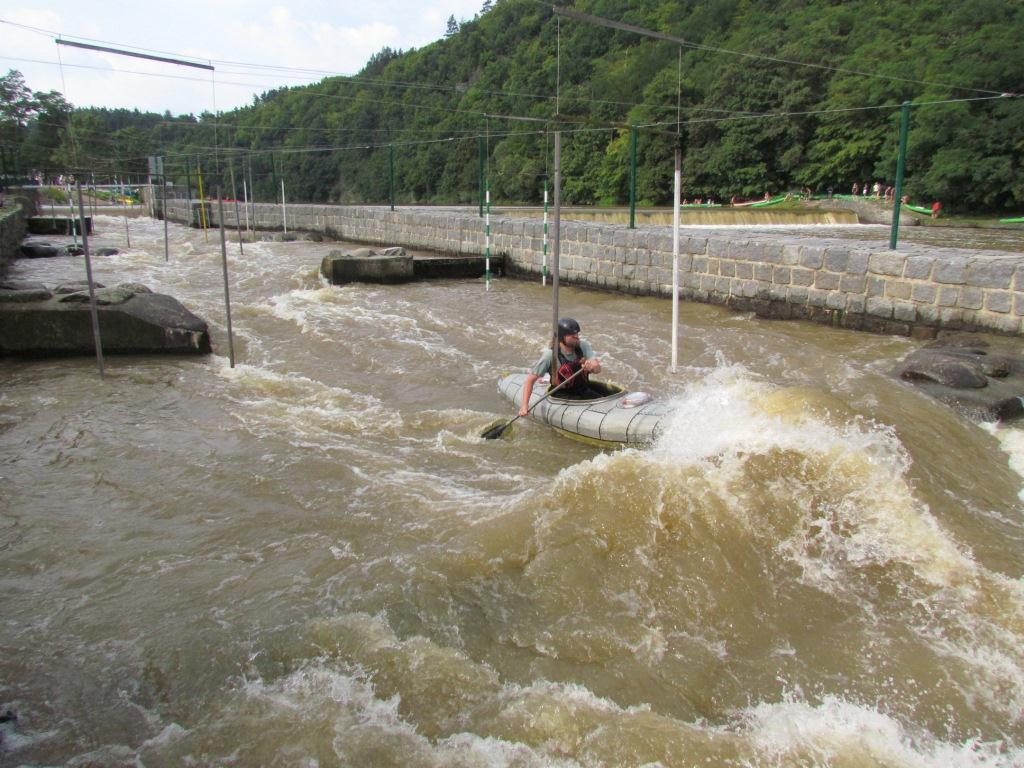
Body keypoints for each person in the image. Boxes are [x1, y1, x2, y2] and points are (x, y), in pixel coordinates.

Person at [518, 318, 602, 416]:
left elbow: (598, 369)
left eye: (577, 334)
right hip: (562, 396)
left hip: (583, 390)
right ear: (562, 337)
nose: (577, 337)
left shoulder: (583, 346)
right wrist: (524, 406)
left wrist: (593, 367)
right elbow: (530, 380)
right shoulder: (550, 356)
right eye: (572, 335)